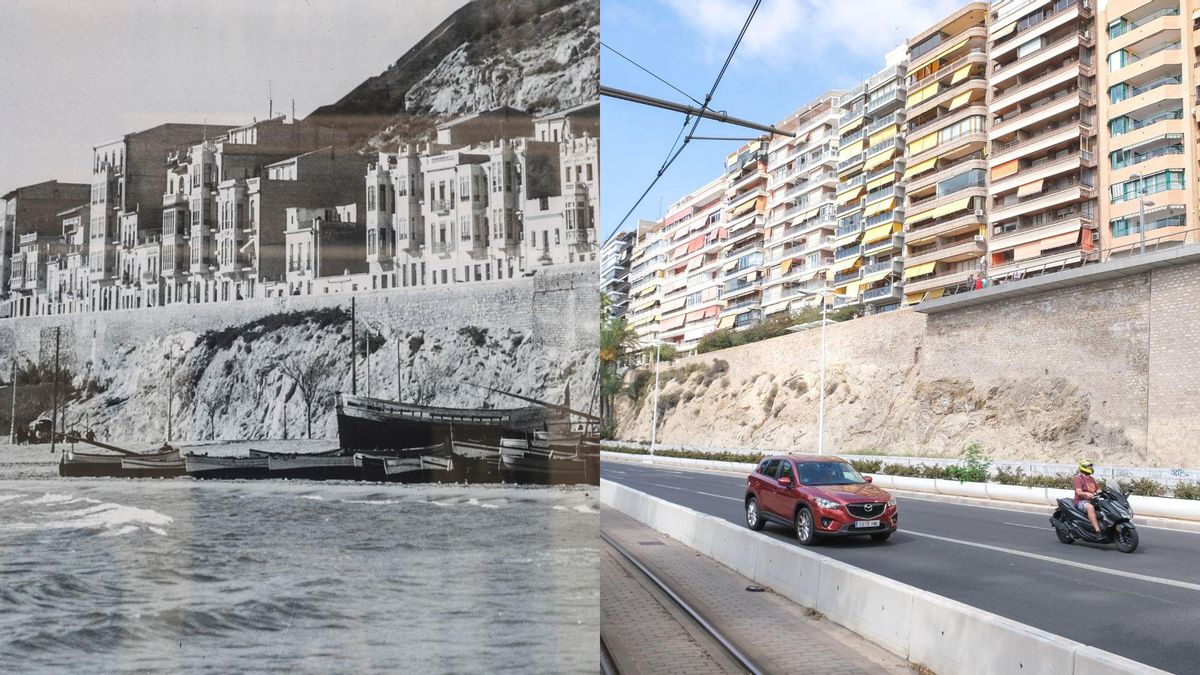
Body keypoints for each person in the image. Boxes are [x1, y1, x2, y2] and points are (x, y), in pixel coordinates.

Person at [1073, 459, 1101, 534]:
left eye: (1090, 466)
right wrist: (1087, 494)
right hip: (1080, 501)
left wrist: (1103, 492)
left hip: (1093, 500)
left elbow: (1097, 490)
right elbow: (1078, 492)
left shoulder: (1091, 479)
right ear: (1083, 467)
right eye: (1088, 466)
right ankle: (1097, 530)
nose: (1090, 468)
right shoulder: (1079, 479)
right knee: (1090, 507)